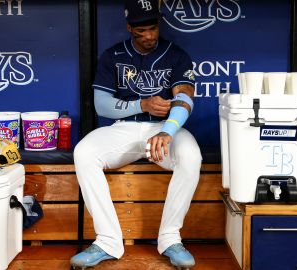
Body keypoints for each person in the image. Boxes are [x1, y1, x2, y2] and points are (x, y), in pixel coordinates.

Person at [70, 0, 202, 268]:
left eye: (153, 28)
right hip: (124, 128)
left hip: (165, 128)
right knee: (84, 152)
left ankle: (170, 238)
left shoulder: (176, 55)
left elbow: (185, 98)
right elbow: (101, 105)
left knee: (191, 155)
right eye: (141, 30)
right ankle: (107, 241)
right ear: (130, 27)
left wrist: (168, 131)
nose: (149, 36)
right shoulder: (113, 55)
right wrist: (141, 104)